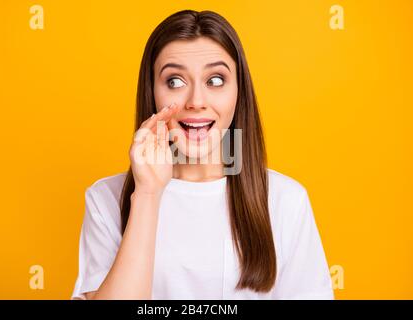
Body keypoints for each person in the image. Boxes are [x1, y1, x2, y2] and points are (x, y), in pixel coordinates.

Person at [71, 10, 334, 300]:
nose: (196, 102)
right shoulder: (105, 199)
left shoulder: (286, 201)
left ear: (238, 92)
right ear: (153, 92)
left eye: (216, 80)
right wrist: (147, 193)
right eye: (174, 81)